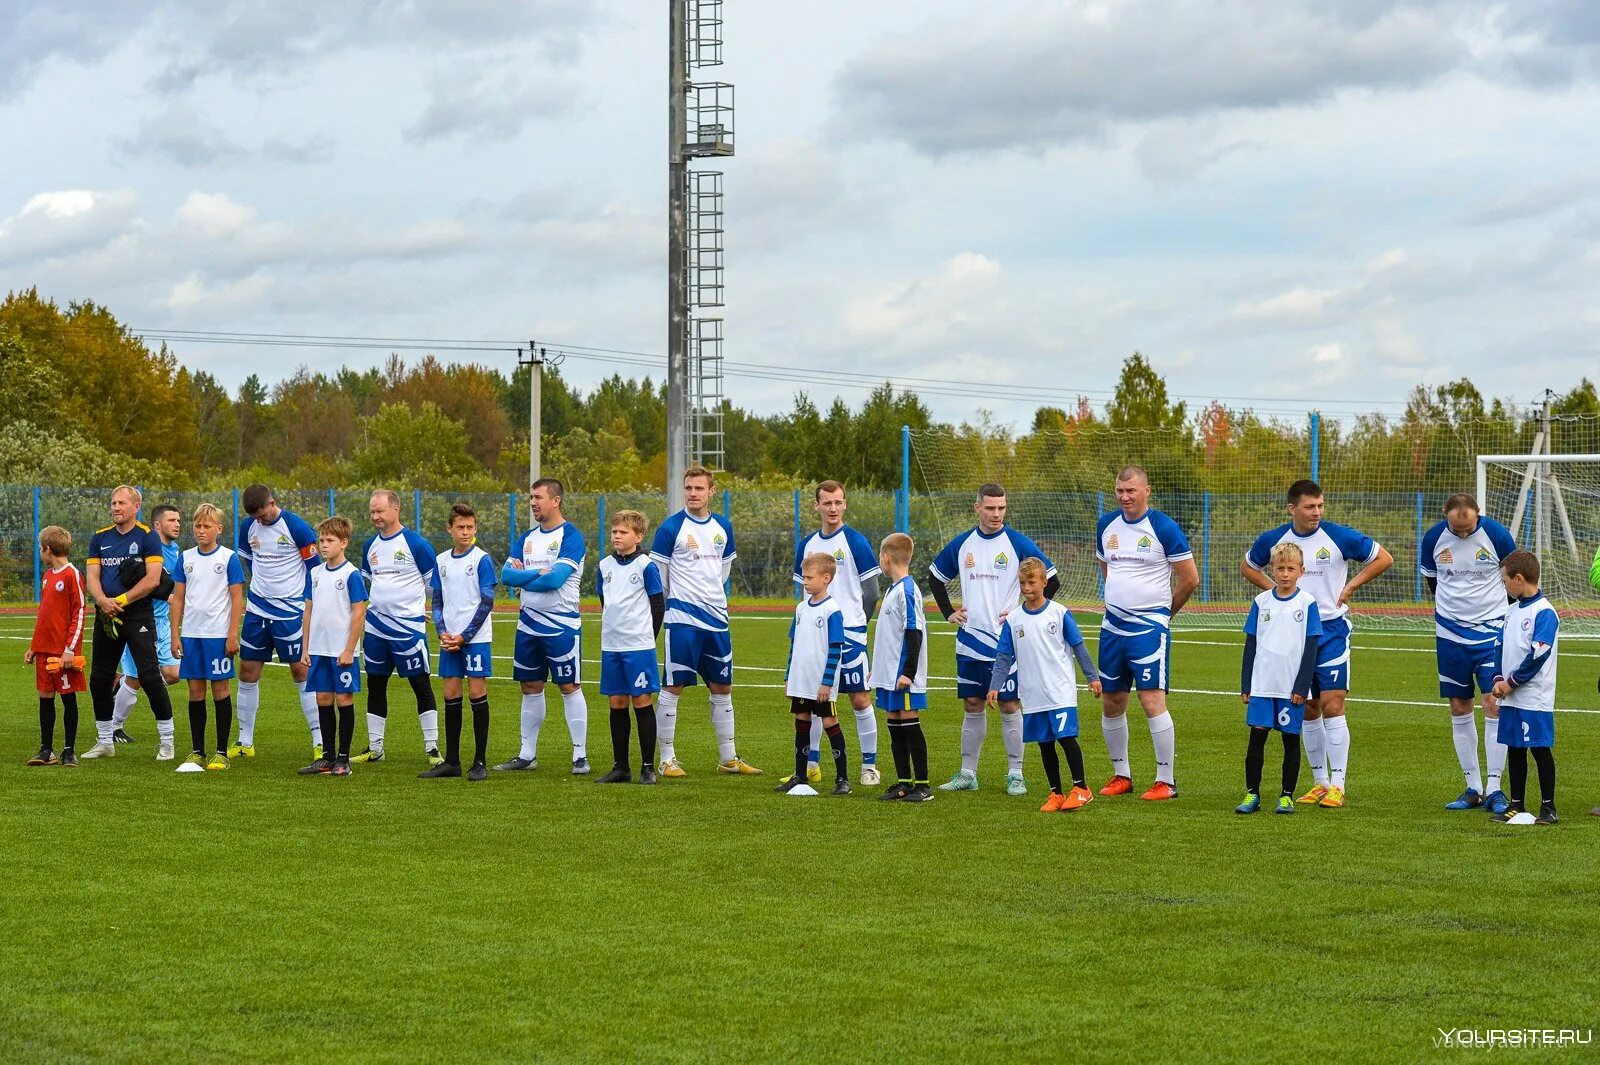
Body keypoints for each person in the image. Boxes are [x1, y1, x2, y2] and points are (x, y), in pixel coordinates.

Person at [1242, 479, 1392, 809]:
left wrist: (1350, 586)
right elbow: (1248, 566)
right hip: (1293, 637)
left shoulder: (1338, 536)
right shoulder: (1275, 540)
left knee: (1333, 703)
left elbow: (1383, 558)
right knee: (1307, 707)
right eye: (1310, 507)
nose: (1317, 512)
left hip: (1331, 631)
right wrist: (1274, 591)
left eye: (1321, 505)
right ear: (1292, 509)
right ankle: (1319, 783)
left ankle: (1338, 784)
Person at [927, 483, 1057, 795]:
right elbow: (935, 576)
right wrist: (948, 612)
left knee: (1010, 705)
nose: (996, 514)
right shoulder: (963, 544)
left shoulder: (1017, 542)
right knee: (973, 704)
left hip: (1006, 642)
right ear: (977, 508)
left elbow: (1051, 580)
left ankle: (1016, 774)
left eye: (1001, 508)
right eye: (990, 508)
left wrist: (1023, 611)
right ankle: (967, 773)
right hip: (969, 640)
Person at [648, 465, 761, 776]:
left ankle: (729, 757)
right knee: (673, 687)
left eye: (699, 488)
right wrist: (680, 604)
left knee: (723, 687)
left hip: (717, 621)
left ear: (712, 492)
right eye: (688, 488)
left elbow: (722, 574)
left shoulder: (723, 527)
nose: (693, 493)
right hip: (683, 620)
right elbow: (661, 579)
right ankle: (667, 758)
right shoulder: (670, 528)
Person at [1095, 466, 1198, 800]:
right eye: (1120, 491)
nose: (1125, 497)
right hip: (1112, 626)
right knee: (1112, 701)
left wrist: (1163, 616)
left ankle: (1165, 781)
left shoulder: (1163, 527)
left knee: (1151, 699)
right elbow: (1107, 569)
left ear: (1147, 491)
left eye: (1131, 491)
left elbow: (1190, 578)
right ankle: (1120, 775)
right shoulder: (1105, 525)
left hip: (1149, 628)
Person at [1419, 493, 1518, 815]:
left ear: (1478, 515)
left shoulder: (1497, 535)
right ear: (1446, 516)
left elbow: (1514, 578)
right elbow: (1431, 580)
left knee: (1494, 702)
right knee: (1459, 705)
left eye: (1468, 527)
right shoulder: (1434, 536)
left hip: (1491, 631)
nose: (1462, 533)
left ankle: (1495, 787)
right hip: (1449, 633)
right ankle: (1473, 787)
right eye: (1456, 528)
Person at [987, 558, 1100, 812]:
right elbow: (1004, 656)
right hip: (1033, 693)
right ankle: (1056, 793)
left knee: (1066, 738)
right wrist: (995, 685)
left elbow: (1078, 646)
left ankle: (1081, 788)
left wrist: (1092, 677)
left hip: (1059, 691)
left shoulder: (1059, 613)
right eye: (1022, 583)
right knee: (1045, 743)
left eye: (1031, 582)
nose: (1026, 588)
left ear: (1044, 583)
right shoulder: (1014, 619)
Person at [495, 477, 592, 774]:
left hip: (561, 625)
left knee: (569, 686)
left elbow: (555, 581)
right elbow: (506, 577)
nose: (533, 503)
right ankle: (527, 754)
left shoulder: (571, 537)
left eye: (538, 497)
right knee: (530, 686)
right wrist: (541, 571)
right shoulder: (526, 538)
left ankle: (579, 755)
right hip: (528, 625)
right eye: (531, 498)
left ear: (556, 500)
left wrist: (530, 575)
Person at [791, 481, 881, 785]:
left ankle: (869, 766)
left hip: (852, 634)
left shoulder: (855, 542)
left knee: (859, 698)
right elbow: (801, 592)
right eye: (827, 503)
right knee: (813, 698)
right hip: (814, 636)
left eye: (838, 503)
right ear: (816, 506)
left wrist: (857, 624)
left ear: (844, 505)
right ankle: (812, 764)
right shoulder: (807, 544)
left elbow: (871, 592)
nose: (833, 509)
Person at [82, 486, 177, 760]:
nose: (115, 507)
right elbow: (92, 577)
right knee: (100, 678)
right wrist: (102, 601)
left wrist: (119, 600)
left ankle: (167, 742)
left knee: (149, 676)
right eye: (112, 502)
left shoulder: (148, 537)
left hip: (138, 615)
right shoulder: (100, 538)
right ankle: (104, 741)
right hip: (107, 615)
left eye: (121, 502)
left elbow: (152, 580)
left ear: (136, 506)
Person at [352, 489, 441, 766]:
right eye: (372, 511)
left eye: (380, 511)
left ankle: (432, 749)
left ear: (396, 509)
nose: (375, 516)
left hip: (408, 630)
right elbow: (371, 584)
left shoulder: (417, 544)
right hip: (376, 628)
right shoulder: (370, 546)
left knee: (420, 684)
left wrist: (425, 612)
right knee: (376, 685)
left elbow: (434, 587)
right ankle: (375, 748)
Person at [233, 484, 322, 758]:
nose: (259, 521)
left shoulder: (297, 527)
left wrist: (307, 605)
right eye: (255, 517)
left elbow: (315, 571)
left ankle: (320, 742)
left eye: (262, 515)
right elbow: (248, 563)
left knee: (301, 671)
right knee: (247, 671)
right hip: (258, 610)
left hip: (291, 613)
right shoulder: (248, 526)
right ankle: (244, 742)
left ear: (272, 503)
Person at [1237, 543, 1321, 816]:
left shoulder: (1307, 603)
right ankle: (1252, 794)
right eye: (1280, 568)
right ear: (1272, 569)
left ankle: (1286, 796)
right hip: (1262, 685)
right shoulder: (1261, 603)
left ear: (1301, 571)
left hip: (1289, 688)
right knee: (1256, 740)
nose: (1284, 574)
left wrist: (1301, 686)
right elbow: (1251, 644)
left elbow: (1310, 648)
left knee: (1290, 741)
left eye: (1290, 569)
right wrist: (1246, 684)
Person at [421, 503, 498, 781]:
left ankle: (480, 761)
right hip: (449, 639)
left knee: (477, 693)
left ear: (475, 528)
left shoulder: (481, 559)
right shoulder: (441, 561)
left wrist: (464, 636)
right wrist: (442, 631)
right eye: (460, 527)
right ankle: (451, 761)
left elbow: (487, 601)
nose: (466, 532)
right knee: (451, 694)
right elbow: (437, 600)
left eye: (470, 527)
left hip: (474, 640)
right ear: (449, 529)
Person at [169, 503, 246, 772]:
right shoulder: (185, 557)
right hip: (191, 635)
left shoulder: (228, 558)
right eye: (198, 525)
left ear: (219, 529)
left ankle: (221, 752)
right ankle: (197, 751)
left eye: (207, 526)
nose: (201, 531)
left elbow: (237, 599)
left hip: (217, 637)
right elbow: (177, 599)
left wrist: (232, 634)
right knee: (195, 691)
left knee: (221, 690)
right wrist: (174, 635)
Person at [595, 509, 665, 785]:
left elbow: (657, 604)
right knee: (617, 703)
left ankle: (648, 767)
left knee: (642, 701)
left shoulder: (646, 566)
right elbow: (604, 601)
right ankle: (620, 767)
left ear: (638, 536)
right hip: (611, 645)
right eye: (614, 531)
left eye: (623, 532)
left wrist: (648, 637)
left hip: (639, 646)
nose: (617, 536)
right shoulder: (604, 566)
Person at [1490, 550, 1559, 825]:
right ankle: (1516, 804)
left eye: (1505, 580)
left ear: (1519, 578)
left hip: (1533, 696)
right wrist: (1497, 679)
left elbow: (1539, 655)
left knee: (1539, 749)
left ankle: (1548, 807)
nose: (1504, 585)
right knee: (1515, 747)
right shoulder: (1510, 611)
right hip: (1510, 695)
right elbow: (1499, 646)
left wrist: (1511, 682)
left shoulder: (1545, 613)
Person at [297, 517, 368, 778]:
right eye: (322, 540)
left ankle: (343, 758)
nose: (324, 546)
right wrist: (305, 648)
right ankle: (326, 757)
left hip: (341, 651)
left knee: (343, 699)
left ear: (344, 543)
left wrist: (349, 649)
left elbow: (359, 613)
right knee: (323, 699)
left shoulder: (351, 575)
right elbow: (308, 611)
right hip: (318, 650)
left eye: (330, 541)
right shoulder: (314, 573)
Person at [776, 553, 851, 796]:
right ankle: (800, 775)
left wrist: (826, 683)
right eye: (803, 578)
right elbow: (793, 643)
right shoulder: (800, 609)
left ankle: (842, 779)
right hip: (800, 680)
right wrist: (789, 676)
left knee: (830, 723)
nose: (804, 582)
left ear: (826, 578)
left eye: (809, 578)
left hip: (820, 683)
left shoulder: (832, 610)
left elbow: (835, 649)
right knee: (801, 722)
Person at [110, 503, 183, 744]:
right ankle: (114, 726)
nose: (177, 524)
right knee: (136, 679)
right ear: (157, 525)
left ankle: (121, 686)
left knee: (173, 674)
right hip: (139, 620)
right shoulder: (146, 547)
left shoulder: (177, 551)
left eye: (178, 520)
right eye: (171, 520)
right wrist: (167, 595)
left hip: (162, 622)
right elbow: (137, 581)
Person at [873, 533, 932, 802]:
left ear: (886, 558)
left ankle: (923, 785)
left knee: (909, 726)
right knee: (894, 725)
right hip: (889, 676)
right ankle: (903, 782)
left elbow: (914, 632)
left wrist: (908, 672)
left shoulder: (908, 590)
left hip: (903, 676)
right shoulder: (892, 589)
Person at [26, 526, 86, 767]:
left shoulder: (72, 575)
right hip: (45, 651)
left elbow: (79, 612)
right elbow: (44, 615)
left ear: (47, 549)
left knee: (68, 698)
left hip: (63, 653)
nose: (40, 552)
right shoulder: (48, 576)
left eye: (40, 548)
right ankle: (46, 750)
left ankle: (69, 751)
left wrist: (70, 649)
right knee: (45, 696)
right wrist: (34, 646)